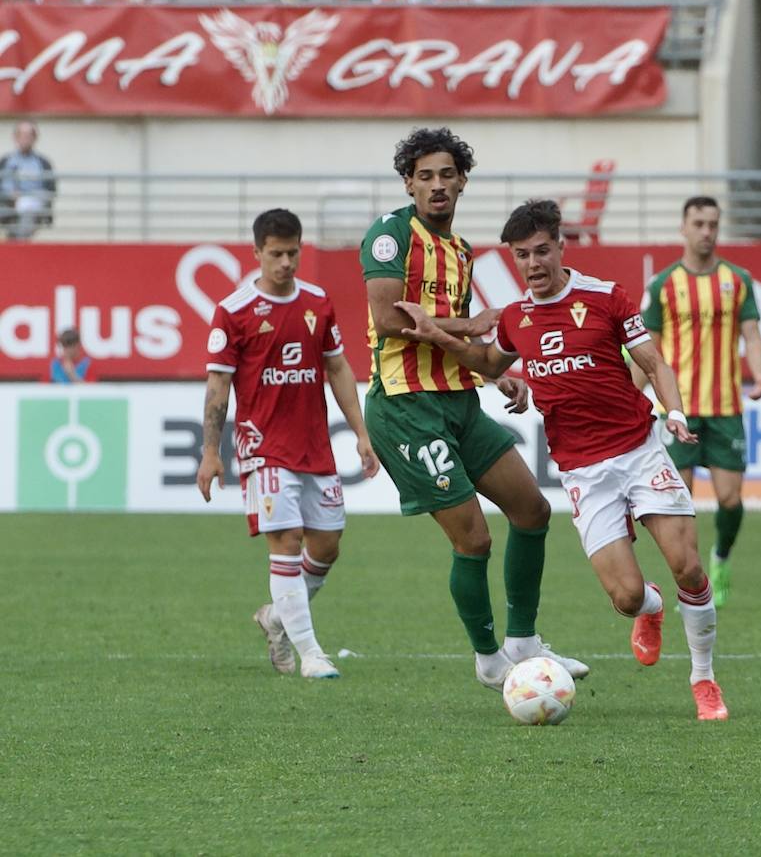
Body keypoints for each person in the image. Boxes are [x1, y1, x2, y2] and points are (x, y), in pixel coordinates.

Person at [395, 200, 729, 721]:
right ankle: (651, 609)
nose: (533, 264)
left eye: (542, 250)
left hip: (639, 450)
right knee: (625, 597)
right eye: (522, 254)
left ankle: (704, 679)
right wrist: (437, 335)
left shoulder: (606, 298)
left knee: (687, 564)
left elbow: (654, 362)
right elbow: (487, 361)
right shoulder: (515, 317)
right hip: (582, 470)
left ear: (560, 246)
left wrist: (676, 412)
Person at [360, 127, 586, 691]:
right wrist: (475, 322)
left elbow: (444, 342)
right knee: (474, 541)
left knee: (533, 511)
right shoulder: (391, 236)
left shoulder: (460, 251)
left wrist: (493, 373)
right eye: (425, 176)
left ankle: (525, 642)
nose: (437, 186)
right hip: (406, 408)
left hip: (457, 402)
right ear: (409, 183)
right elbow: (388, 319)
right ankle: (489, 659)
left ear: (462, 181)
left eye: (446, 175)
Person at [195, 209, 379, 679]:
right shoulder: (234, 311)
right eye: (275, 253)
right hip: (264, 448)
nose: (285, 262)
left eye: (292, 252)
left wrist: (360, 432)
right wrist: (211, 451)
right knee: (287, 541)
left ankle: (276, 617)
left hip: (315, 447)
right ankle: (311, 653)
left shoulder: (318, 301)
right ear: (256, 253)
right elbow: (218, 384)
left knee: (328, 545)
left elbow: (337, 367)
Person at [639, 196, 761, 607]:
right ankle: (694, 582)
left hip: (727, 408)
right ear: (683, 227)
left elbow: (751, 335)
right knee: (681, 502)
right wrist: (633, 396)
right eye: (698, 223)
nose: (706, 231)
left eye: (713, 223)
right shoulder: (662, 286)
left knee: (730, 499)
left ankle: (722, 556)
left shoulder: (738, 279)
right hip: (679, 410)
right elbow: (648, 351)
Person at [0, 120, 56, 239]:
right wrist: (10, 195)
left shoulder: (43, 162)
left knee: (26, 206)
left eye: (29, 135)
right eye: (22, 135)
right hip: (7, 203)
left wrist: (29, 196)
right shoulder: (6, 161)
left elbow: (51, 189)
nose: (25, 139)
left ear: (35, 138)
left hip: (34, 203)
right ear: (15, 137)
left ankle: (19, 243)